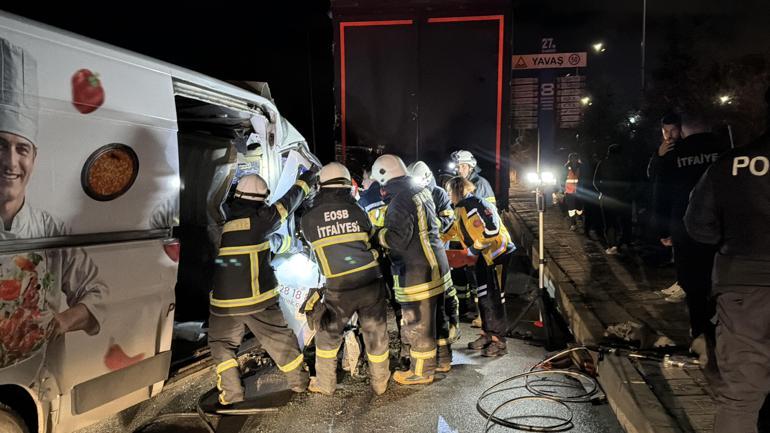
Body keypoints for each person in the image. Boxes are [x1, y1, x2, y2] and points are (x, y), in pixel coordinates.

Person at [0, 38, 105, 339]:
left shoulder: (51, 228)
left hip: (41, 369)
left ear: (34, 158)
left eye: (22, 149)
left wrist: (63, 321)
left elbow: (98, 292)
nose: (11, 162)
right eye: (0, 146)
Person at [684, 93, 770, 433]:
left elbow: (697, 224)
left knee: (741, 396)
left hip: (743, 287)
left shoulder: (731, 164)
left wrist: (727, 240)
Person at [208, 170, 317, 409]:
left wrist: (287, 244)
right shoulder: (259, 220)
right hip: (256, 298)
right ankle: (299, 382)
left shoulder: (224, 222)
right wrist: (307, 180)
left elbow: (266, 244)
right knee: (279, 340)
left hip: (222, 302)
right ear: (260, 198)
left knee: (221, 344)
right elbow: (288, 202)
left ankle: (231, 393)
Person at [299, 162, 390, 395]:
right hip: (371, 279)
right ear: (347, 184)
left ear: (321, 186)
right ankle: (380, 383)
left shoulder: (309, 218)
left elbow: (310, 246)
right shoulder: (358, 210)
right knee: (375, 332)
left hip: (339, 287)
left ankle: (325, 384)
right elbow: (371, 237)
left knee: (328, 336)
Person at [652, 111, 728, 355]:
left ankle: (700, 334)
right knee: (719, 282)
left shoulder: (674, 154)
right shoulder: (725, 148)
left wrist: (662, 229)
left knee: (694, 285)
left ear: (683, 129)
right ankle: (722, 333)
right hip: (723, 228)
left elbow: (660, 191)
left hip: (685, 227)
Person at [372, 154, 452, 384]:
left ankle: (421, 371)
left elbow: (397, 239)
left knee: (418, 324)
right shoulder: (420, 190)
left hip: (417, 273)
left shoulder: (399, 200)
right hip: (436, 266)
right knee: (437, 320)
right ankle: (443, 360)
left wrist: (379, 234)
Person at [443, 177, 515, 357]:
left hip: (497, 254)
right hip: (483, 256)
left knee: (495, 297)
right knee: (483, 296)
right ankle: (487, 333)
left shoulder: (475, 205)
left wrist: (473, 250)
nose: (448, 195)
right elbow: (452, 229)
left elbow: (492, 230)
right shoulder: (461, 207)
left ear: (457, 190)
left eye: (449, 191)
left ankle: (500, 342)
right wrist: (434, 240)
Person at [407, 160, 460, 344]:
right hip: (419, 256)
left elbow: (447, 220)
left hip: (437, 252)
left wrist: (427, 228)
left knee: (445, 294)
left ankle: (450, 330)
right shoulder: (411, 195)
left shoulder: (439, 194)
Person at [593, 144, 632, 255]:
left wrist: (602, 191)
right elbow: (631, 180)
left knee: (610, 223)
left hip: (607, 198)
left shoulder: (603, 163)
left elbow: (595, 181)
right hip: (623, 198)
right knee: (625, 222)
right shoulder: (626, 164)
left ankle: (612, 245)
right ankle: (625, 243)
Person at [563, 152, 583, 231]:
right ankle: (573, 223)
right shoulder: (566, 167)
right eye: (572, 158)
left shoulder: (581, 167)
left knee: (579, 208)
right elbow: (562, 178)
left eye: (575, 158)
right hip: (569, 191)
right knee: (571, 208)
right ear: (570, 159)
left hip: (580, 191)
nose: (574, 160)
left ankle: (580, 219)